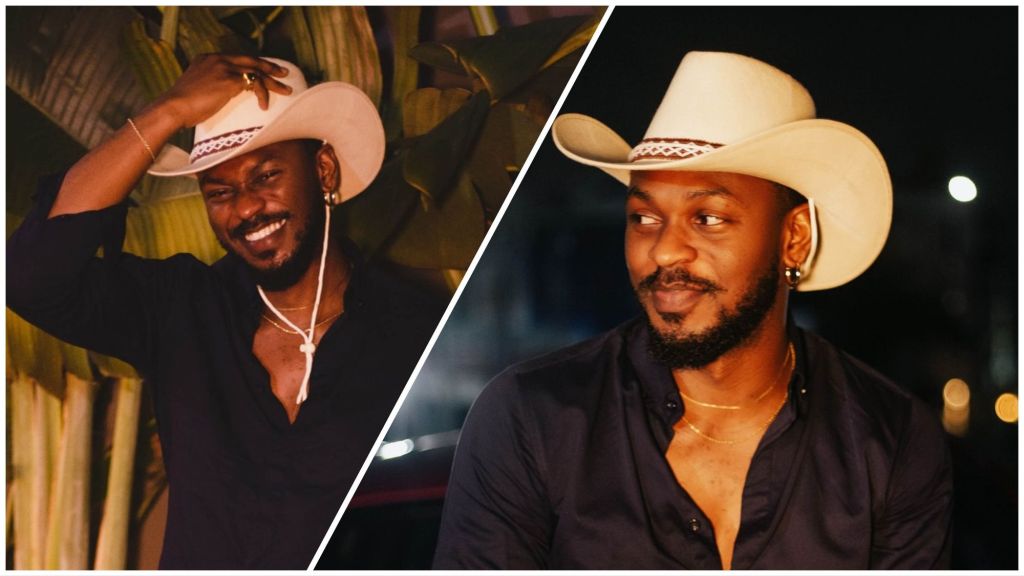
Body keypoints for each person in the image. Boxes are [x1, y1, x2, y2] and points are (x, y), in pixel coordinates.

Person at [433, 51, 953, 569]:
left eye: (707, 217)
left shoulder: (892, 441)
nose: (662, 251)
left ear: (793, 239)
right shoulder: (530, 419)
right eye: (643, 217)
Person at [7, 54, 445, 568]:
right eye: (220, 192)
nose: (244, 209)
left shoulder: (419, 334)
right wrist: (170, 110)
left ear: (322, 168)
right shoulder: (180, 310)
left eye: (265, 176)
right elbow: (31, 276)